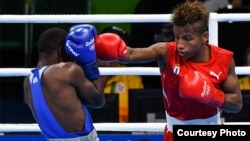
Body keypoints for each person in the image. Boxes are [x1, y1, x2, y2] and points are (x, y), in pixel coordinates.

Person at [94, 1, 243, 141]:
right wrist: (112, 51)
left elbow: (236, 104)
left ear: (204, 37)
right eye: (177, 37)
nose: (180, 45)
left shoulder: (224, 59)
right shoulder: (166, 52)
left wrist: (211, 95)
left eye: (187, 38)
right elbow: (131, 54)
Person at [23, 25, 104, 141]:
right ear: (62, 50)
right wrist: (90, 62)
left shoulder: (27, 83)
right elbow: (97, 101)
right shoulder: (68, 70)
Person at [97, 26, 144, 123]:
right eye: (105, 51)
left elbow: (138, 115)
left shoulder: (132, 77)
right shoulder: (82, 74)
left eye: (114, 53)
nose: (108, 62)